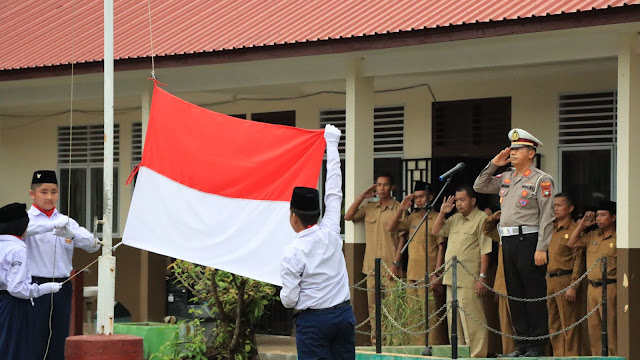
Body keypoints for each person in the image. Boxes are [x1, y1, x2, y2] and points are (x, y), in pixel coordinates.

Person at [473, 128, 554, 357]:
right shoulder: (507, 176)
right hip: (507, 241)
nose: (513, 152)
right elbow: (479, 185)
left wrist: (541, 248)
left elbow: (547, 216)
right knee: (515, 293)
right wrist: (494, 164)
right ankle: (521, 345)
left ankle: (537, 346)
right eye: (512, 149)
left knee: (533, 294)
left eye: (518, 149)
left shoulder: (541, 179)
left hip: (528, 240)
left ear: (531, 152)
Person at [280, 124, 355, 360]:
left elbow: (289, 298)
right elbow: (334, 191)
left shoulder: (293, 251)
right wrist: (331, 144)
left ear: (294, 216)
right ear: (317, 214)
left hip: (313, 322)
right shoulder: (331, 230)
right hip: (344, 315)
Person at [25, 170, 101, 360]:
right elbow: (23, 232)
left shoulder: (66, 221)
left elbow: (93, 245)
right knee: (34, 338)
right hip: (34, 285)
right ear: (32, 194)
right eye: (44, 191)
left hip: (62, 285)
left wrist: (71, 233)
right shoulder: (26, 220)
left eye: (54, 191)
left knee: (59, 339)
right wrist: (50, 226)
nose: (49, 197)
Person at [432, 185, 492, 358]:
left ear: (473, 201)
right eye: (456, 200)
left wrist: (482, 277)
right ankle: (458, 355)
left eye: (462, 200)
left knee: (473, 321)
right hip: (452, 278)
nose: (458, 204)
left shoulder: (482, 219)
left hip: (470, 279)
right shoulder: (455, 219)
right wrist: (443, 212)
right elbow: (436, 231)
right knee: (454, 322)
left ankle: (477, 355)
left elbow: (485, 250)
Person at [387, 181, 448, 346]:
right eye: (416, 198)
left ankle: (433, 348)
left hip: (428, 274)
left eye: (422, 197)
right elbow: (391, 227)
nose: (418, 201)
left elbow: (441, 247)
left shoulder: (437, 218)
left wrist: (437, 273)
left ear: (431, 197)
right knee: (414, 315)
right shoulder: (412, 217)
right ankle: (416, 348)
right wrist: (401, 208)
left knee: (430, 315)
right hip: (412, 274)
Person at [344, 171, 403, 343]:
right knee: (373, 307)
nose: (381, 188)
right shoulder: (370, 207)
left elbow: (402, 238)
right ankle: (377, 341)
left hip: (390, 266)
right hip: (370, 266)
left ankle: (393, 343)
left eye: (385, 185)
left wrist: (396, 263)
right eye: (378, 184)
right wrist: (362, 196)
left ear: (392, 187)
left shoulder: (398, 208)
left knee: (392, 308)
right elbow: (348, 216)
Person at [0, 203, 62, 360]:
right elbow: (16, 287)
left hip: (3, 301)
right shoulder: (17, 249)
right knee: (16, 348)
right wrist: (41, 289)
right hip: (14, 305)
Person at [567, 200, 617, 356]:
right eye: (597, 216)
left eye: (603, 215)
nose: (599, 219)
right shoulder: (592, 235)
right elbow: (571, 242)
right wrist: (582, 224)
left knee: (611, 329)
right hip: (592, 288)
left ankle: (615, 357)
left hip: (610, 287)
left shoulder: (619, 237)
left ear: (613, 217)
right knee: (594, 329)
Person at [546, 193, 585, 356]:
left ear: (570, 208)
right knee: (553, 324)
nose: (555, 208)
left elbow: (578, 261)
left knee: (568, 324)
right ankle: (558, 355)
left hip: (565, 280)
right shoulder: (551, 228)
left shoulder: (575, 230)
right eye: (554, 205)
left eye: (559, 205)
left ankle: (570, 356)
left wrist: (573, 286)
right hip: (550, 279)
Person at [482, 211, 517, 355]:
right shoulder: (503, 234)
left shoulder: (524, 233)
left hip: (519, 286)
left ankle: (522, 353)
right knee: (505, 326)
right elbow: (486, 230)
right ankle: (509, 353)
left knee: (520, 325)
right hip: (503, 284)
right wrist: (493, 218)